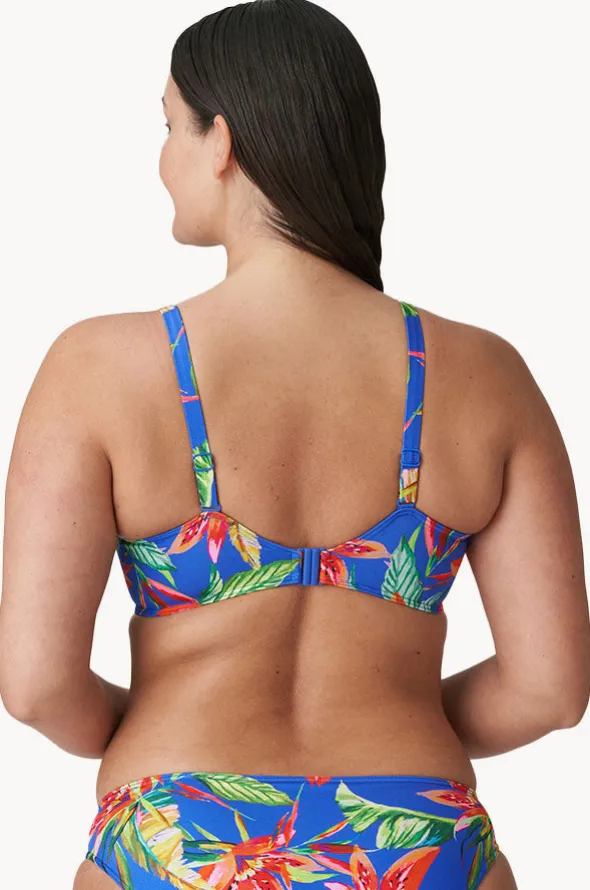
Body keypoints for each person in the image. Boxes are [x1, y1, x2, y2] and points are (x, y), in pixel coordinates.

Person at [0, 1, 588, 888]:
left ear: (222, 142)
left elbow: (36, 685)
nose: (162, 159)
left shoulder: (100, 367)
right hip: (416, 836)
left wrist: (153, 726)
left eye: (169, 126)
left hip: (178, 830)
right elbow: (551, 688)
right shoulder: (484, 374)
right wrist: (393, 714)